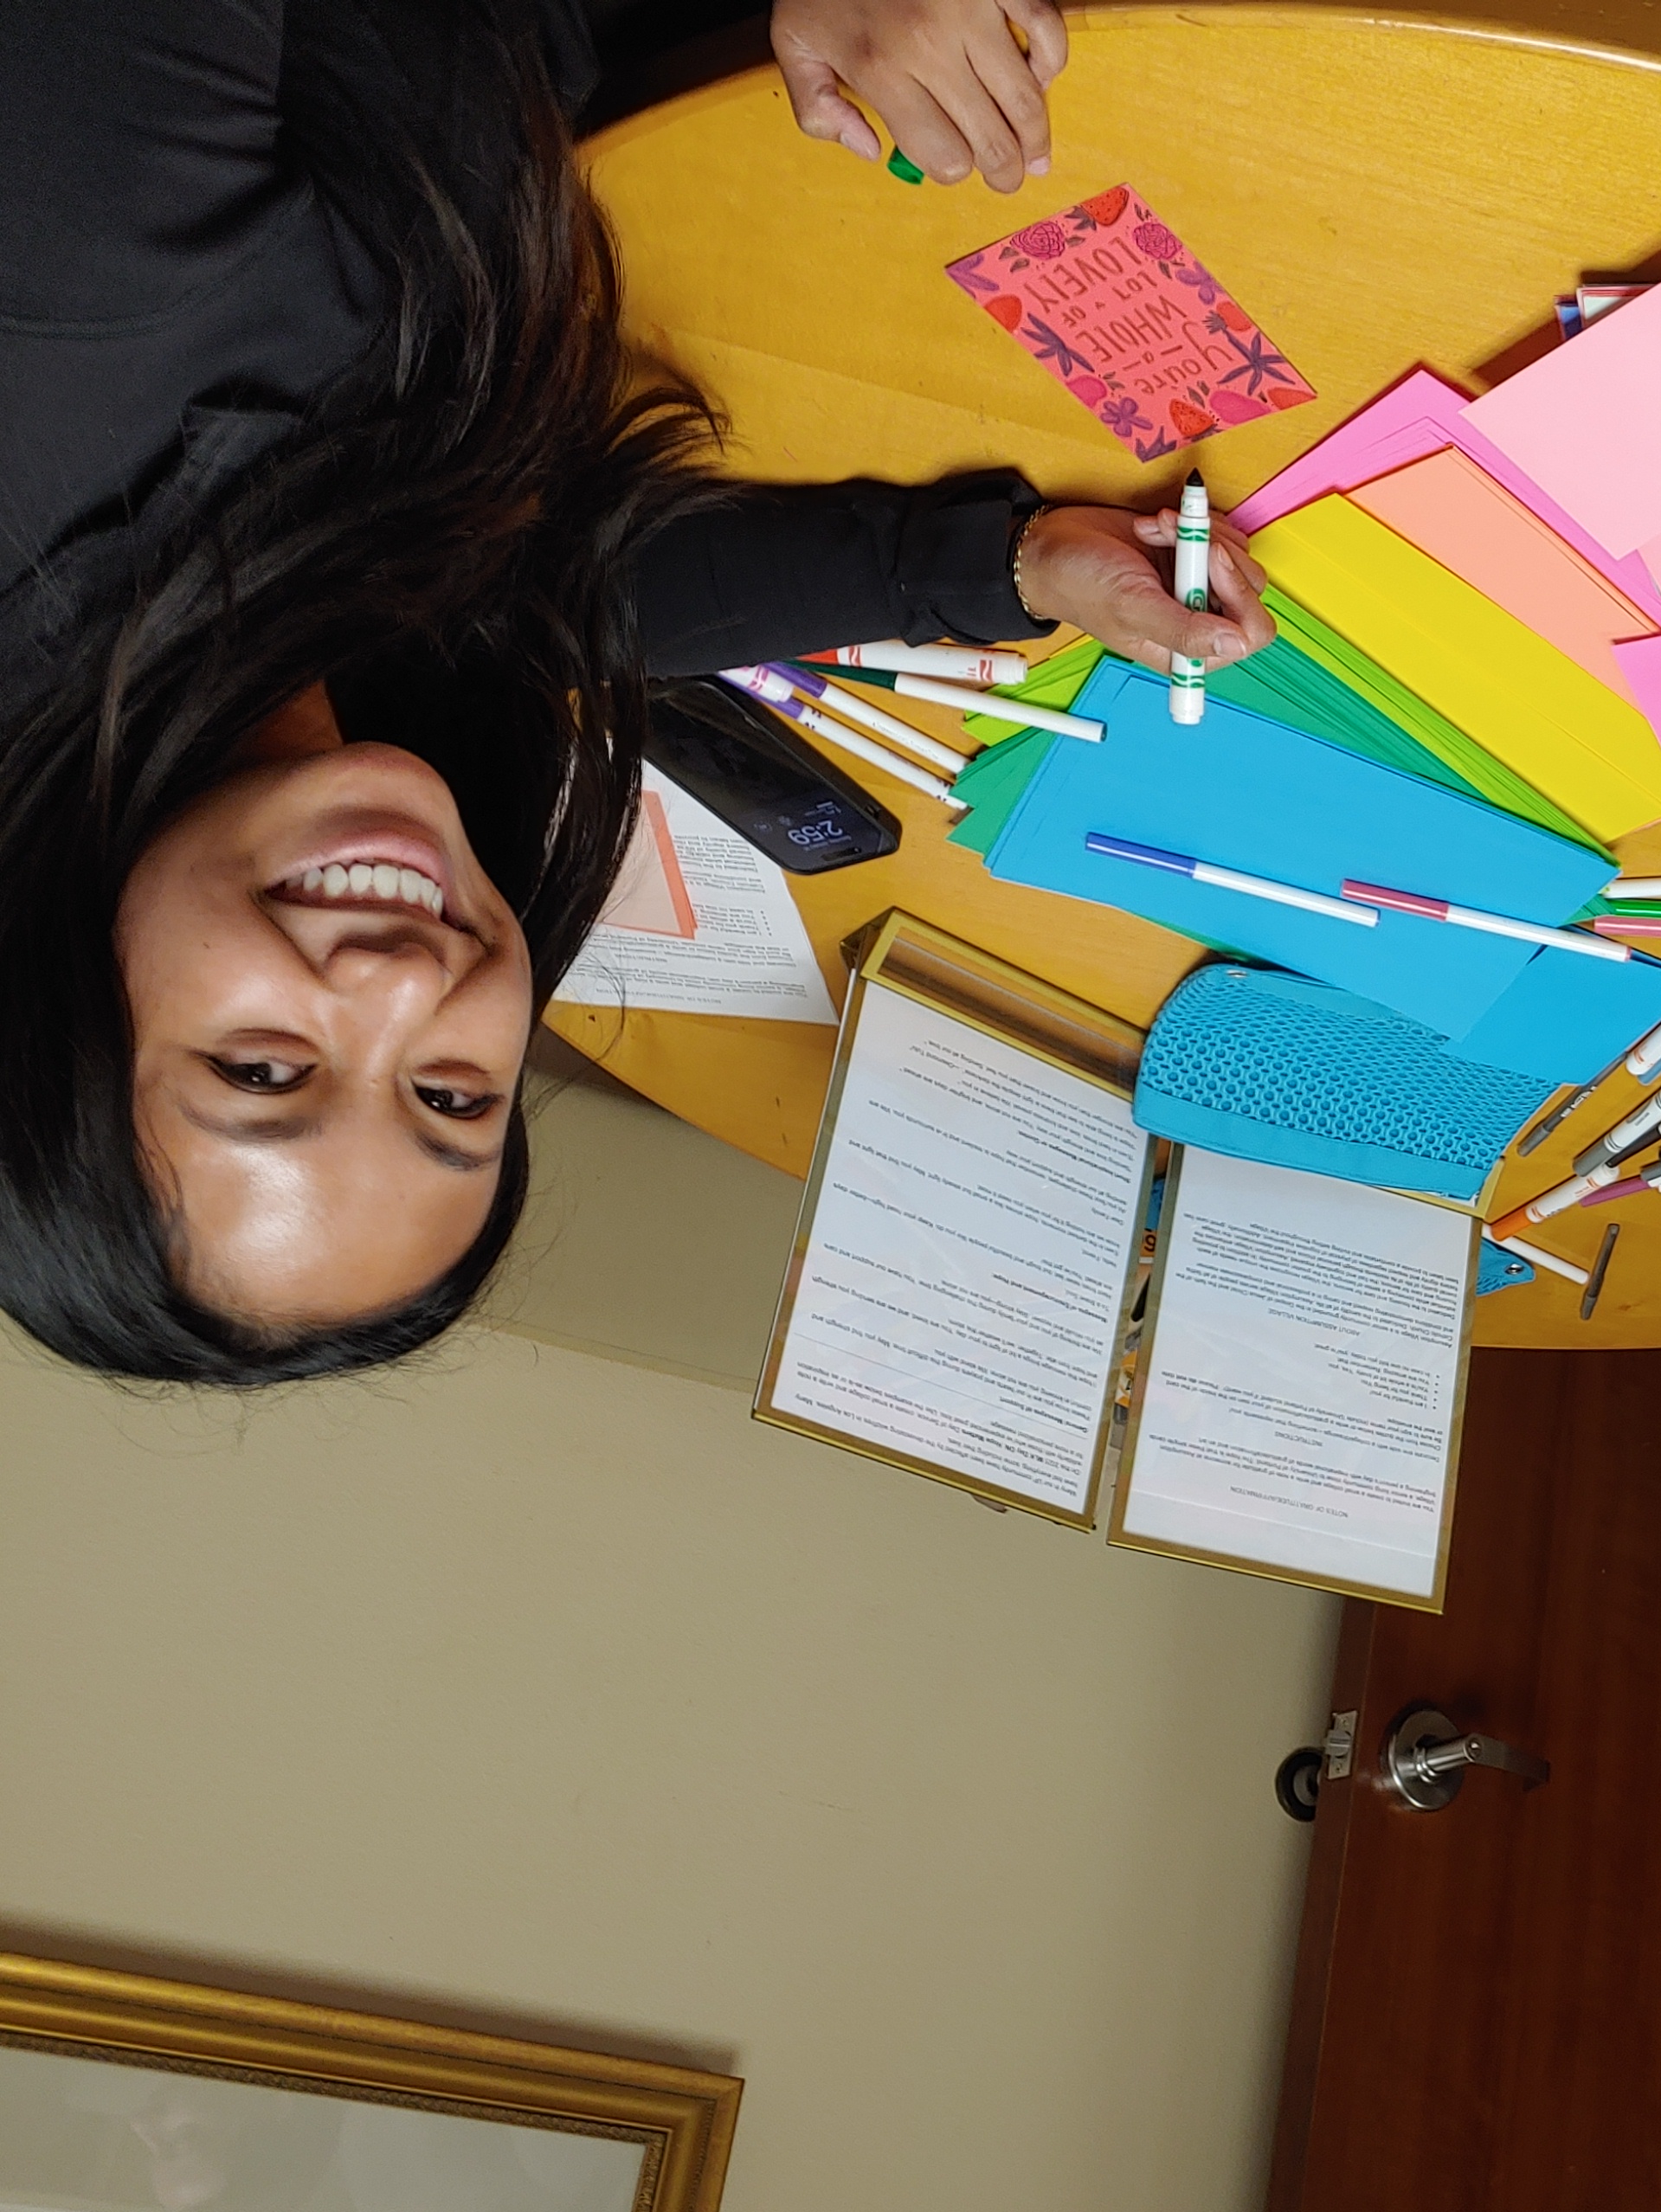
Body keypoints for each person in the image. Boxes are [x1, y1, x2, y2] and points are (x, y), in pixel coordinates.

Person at [0, 0, 1272, 1386]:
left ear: (55, 1013)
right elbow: (529, 602)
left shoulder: (66, 297)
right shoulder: (219, 718)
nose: (402, 987)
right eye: (451, 1093)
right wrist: (1006, 570)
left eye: (260, 1069)